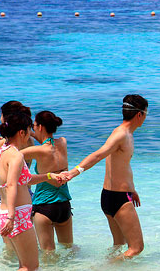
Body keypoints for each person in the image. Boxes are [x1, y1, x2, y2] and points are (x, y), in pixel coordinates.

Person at [57, 95, 147, 258]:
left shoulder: (124, 133)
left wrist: (132, 189)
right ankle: (101, 269)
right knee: (136, 248)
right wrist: (73, 172)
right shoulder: (121, 135)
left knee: (119, 245)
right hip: (119, 198)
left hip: (111, 196)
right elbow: (98, 155)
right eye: (146, 114)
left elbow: (123, 166)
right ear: (139, 114)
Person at [0, 112, 40, 271]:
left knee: (23, 265)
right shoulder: (16, 155)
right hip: (16, 216)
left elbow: (25, 179)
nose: (30, 134)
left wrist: (50, 176)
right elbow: (11, 184)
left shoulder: (3, 151)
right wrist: (12, 217)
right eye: (29, 130)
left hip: (5, 212)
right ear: (22, 132)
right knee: (30, 267)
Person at [21, 111, 73, 252]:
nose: (33, 128)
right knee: (68, 250)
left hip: (44, 206)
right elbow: (47, 143)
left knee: (48, 254)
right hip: (64, 205)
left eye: (34, 126)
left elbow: (13, 154)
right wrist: (32, 134)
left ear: (40, 127)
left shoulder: (37, 151)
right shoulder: (63, 142)